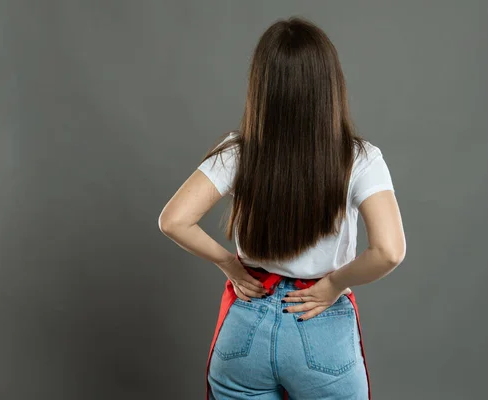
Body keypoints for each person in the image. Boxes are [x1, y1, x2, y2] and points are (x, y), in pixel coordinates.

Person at [158, 16, 405, 400]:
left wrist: (228, 264)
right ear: (330, 86)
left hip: (245, 328)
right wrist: (336, 284)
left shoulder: (238, 151)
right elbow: (390, 251)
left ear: (261, 86)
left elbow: (173, 220)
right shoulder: (360, 159)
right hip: (319, 324)